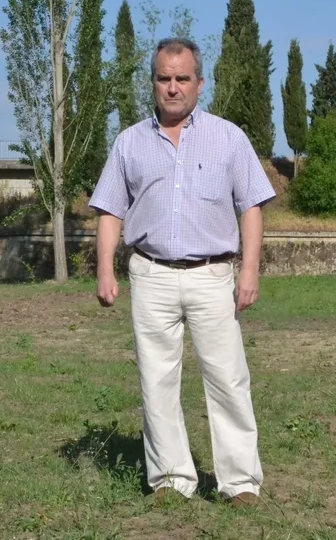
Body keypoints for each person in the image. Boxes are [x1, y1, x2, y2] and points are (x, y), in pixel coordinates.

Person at [88, 37, 275, 508]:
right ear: (153, 82)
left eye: (182, 79)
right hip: (149, 274)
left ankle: (240, 484)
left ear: (199, 83)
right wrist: (104, 271)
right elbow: (110, 211)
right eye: (164, 78)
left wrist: (249, 271)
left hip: (213, 276)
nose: (173, 88)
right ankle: (171, 478)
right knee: (156, 380)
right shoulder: (129, 142)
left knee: (228, 379)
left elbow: (251, 206)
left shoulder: (229, 138)